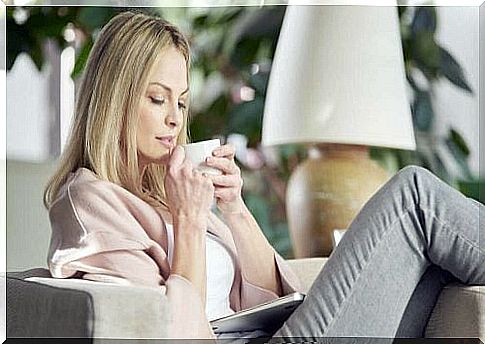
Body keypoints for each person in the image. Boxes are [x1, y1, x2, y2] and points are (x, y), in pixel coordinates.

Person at [43, 11, 484, 342]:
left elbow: (271, 301)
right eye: (157, 99)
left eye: (180, 102)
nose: (175, 119)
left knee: (432, 266)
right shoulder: (89, 200)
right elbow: (174, 332)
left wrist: (233, 210)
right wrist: (190, 221)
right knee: (413, 197)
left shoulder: (168, 189)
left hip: (274, 333)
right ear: (116, 100)